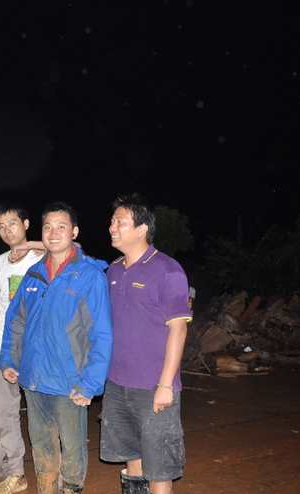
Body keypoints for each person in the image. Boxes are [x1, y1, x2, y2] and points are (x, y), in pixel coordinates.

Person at [0, 202, 113, 494]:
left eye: (61, 227)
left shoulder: (89, 274)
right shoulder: (34, 274)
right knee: (41, 445)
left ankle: (72, 489)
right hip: (34, 377)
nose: (53, 233)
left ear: (74, 232)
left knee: (73, 449)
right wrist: (9, 360)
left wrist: (90, 382)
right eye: (48, 227)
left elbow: (101, 333)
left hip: (69, 381)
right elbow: (15, 321)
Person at [99, 193, 191, 494]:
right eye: (112, 221)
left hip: (153, 386)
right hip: (117, 384)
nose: (112, 227)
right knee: (132, 455)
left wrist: (166, 384)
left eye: (120, 222)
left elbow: (179, 329)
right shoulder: (113, 270)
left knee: (159, 463)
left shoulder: (167, 270)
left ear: (142, 229)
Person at [0, 203, 42, 494]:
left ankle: (50, 473)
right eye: (2, 226)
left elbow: (75, 248)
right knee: (4, 415)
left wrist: (28, 246)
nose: (8, 230)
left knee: (43, 415)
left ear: (26, 224)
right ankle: (14, 474)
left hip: (36, 350)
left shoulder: (45, 256)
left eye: (13, 223)